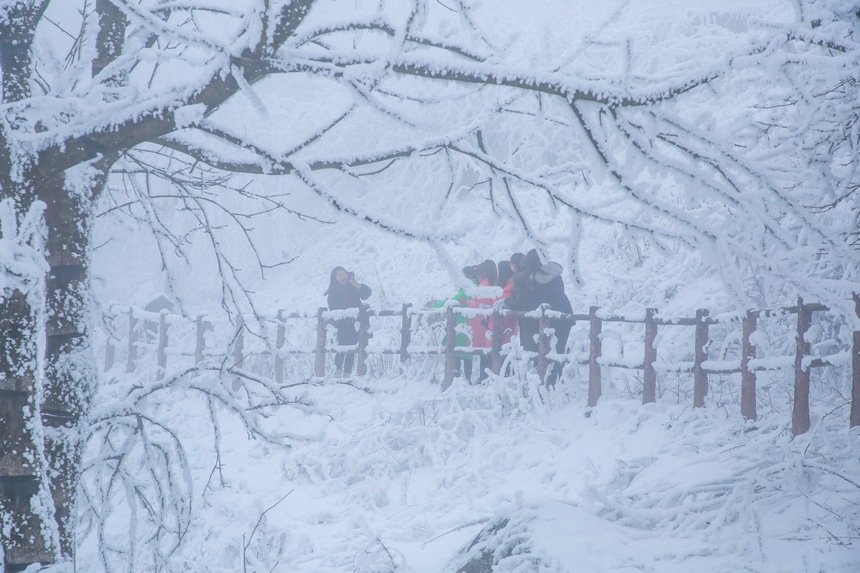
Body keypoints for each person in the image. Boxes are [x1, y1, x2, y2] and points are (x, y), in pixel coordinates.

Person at [325, 266, 372, 378]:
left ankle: (347, 374)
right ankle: (337, 374)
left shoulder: (354, 287)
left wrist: (358, 285)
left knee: (352, 348)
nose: (343, 276)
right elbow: (333, 308)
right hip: (342, 325)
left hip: (355, 323)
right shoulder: (332, 292)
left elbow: (367, 294)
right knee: (341, 348)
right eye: (339, 275)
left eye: (344, 274)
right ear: (335, 278)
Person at [464, 259, 497, 381]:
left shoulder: (483, 287)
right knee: (487, 353)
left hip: (482, 324)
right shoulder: (494, 285)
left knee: (484, 353)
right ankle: (485, 378)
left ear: (483, 274)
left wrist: (468, 302)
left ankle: (484, 378)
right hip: (489, 323)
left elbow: (480, 306)